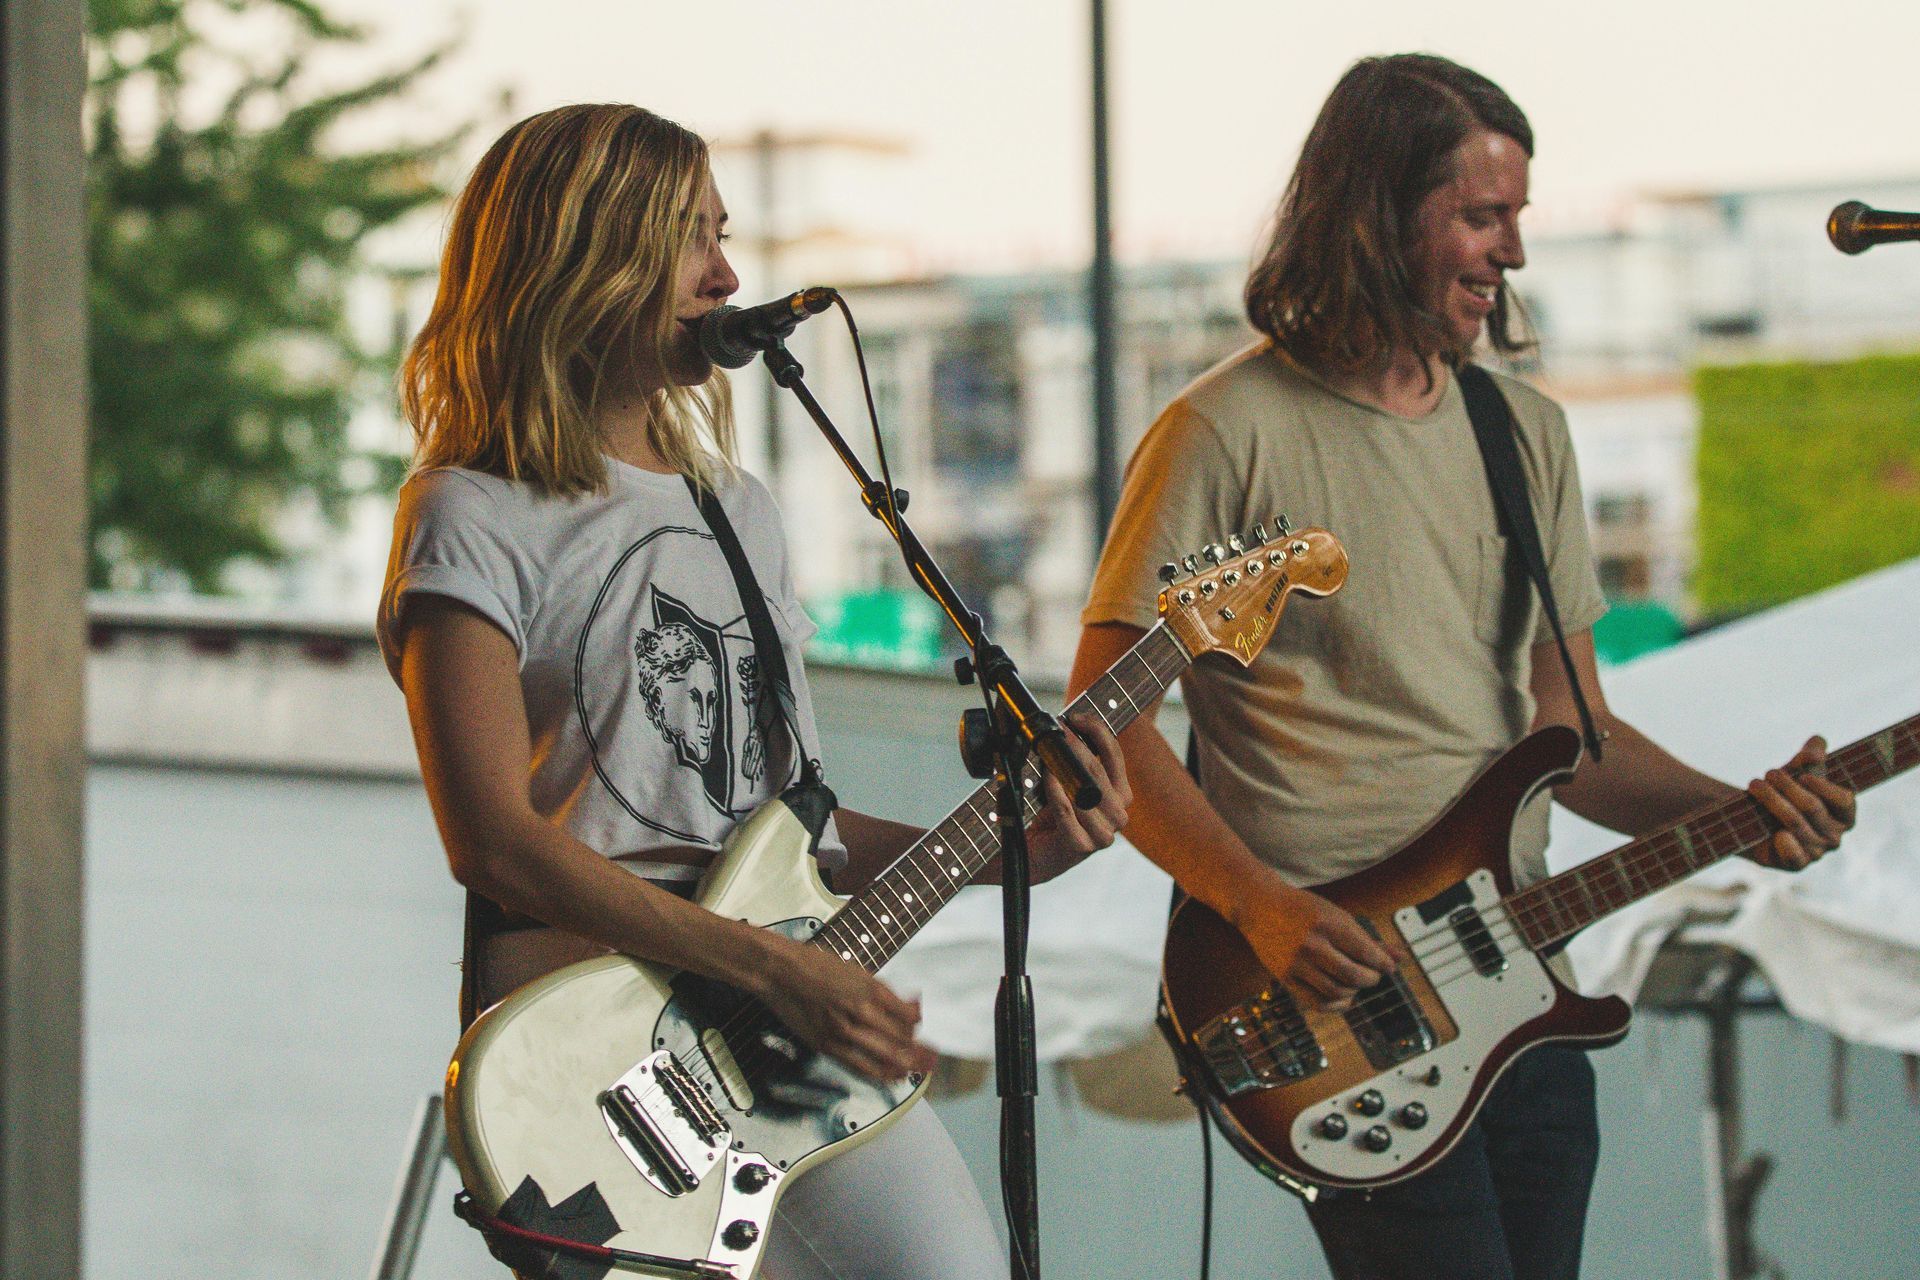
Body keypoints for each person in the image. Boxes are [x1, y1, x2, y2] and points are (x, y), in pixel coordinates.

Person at [1069, 54, 1855, 1280]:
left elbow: (1572, 733)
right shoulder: (1224, 430)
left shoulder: (1520, 430)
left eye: (1520, 219)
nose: (1513, 253)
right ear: (1379, 214)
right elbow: (1108, 727)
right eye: (1483, 216)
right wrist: (1260, 906)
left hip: (1521, 985)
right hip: (1338, 1000)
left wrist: (1739, 814)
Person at [378, 103, 1131, 1280]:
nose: (728, 275)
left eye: (724, 234)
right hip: (598, 1056)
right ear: (581, 256)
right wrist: (775, 966)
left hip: (779, 1027)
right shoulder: (471, 510)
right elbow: (495, 845)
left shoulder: (743, 505)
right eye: (687, 239)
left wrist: (1018, 845)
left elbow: (793, 839)